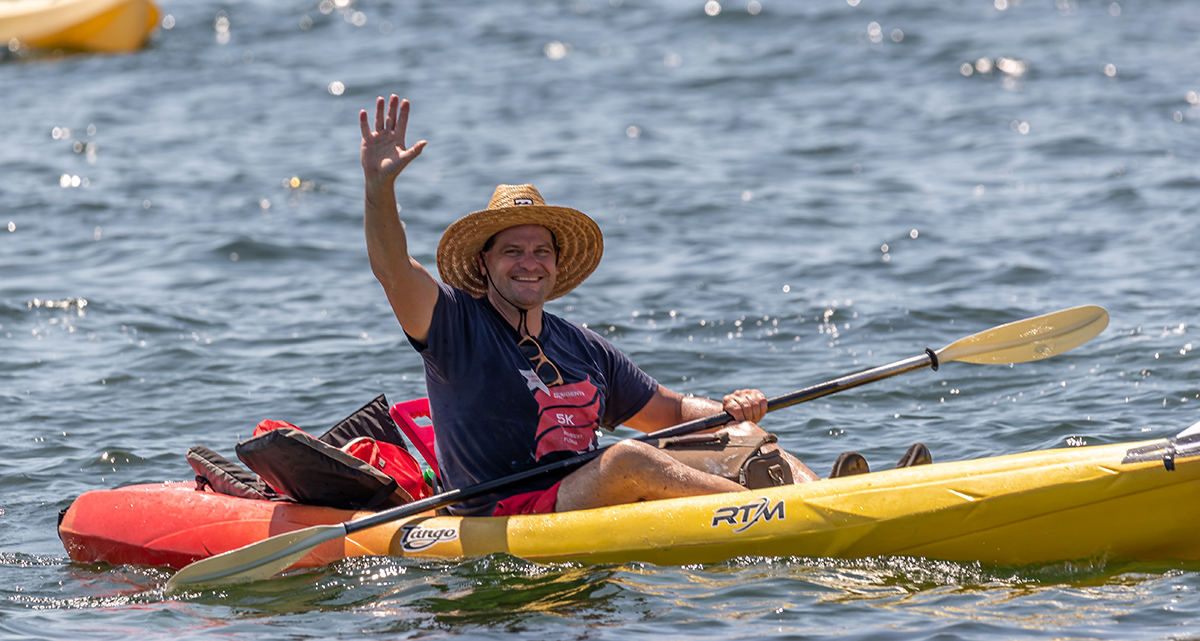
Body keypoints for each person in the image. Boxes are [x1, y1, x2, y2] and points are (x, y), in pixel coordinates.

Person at [359, 94, 823, 517]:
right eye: (512, 251)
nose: (529, 263)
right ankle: (782, 515)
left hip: (582, 498)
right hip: (503, 513)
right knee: (628, 457)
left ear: (557, 264)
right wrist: (380, 187)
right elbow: (393, 269)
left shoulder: (582, 346)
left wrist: (735, 408)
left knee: (741, 438)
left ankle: (830, 498)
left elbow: (672, 413)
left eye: (542, 251)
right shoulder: (454, 325)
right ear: (484, 264)